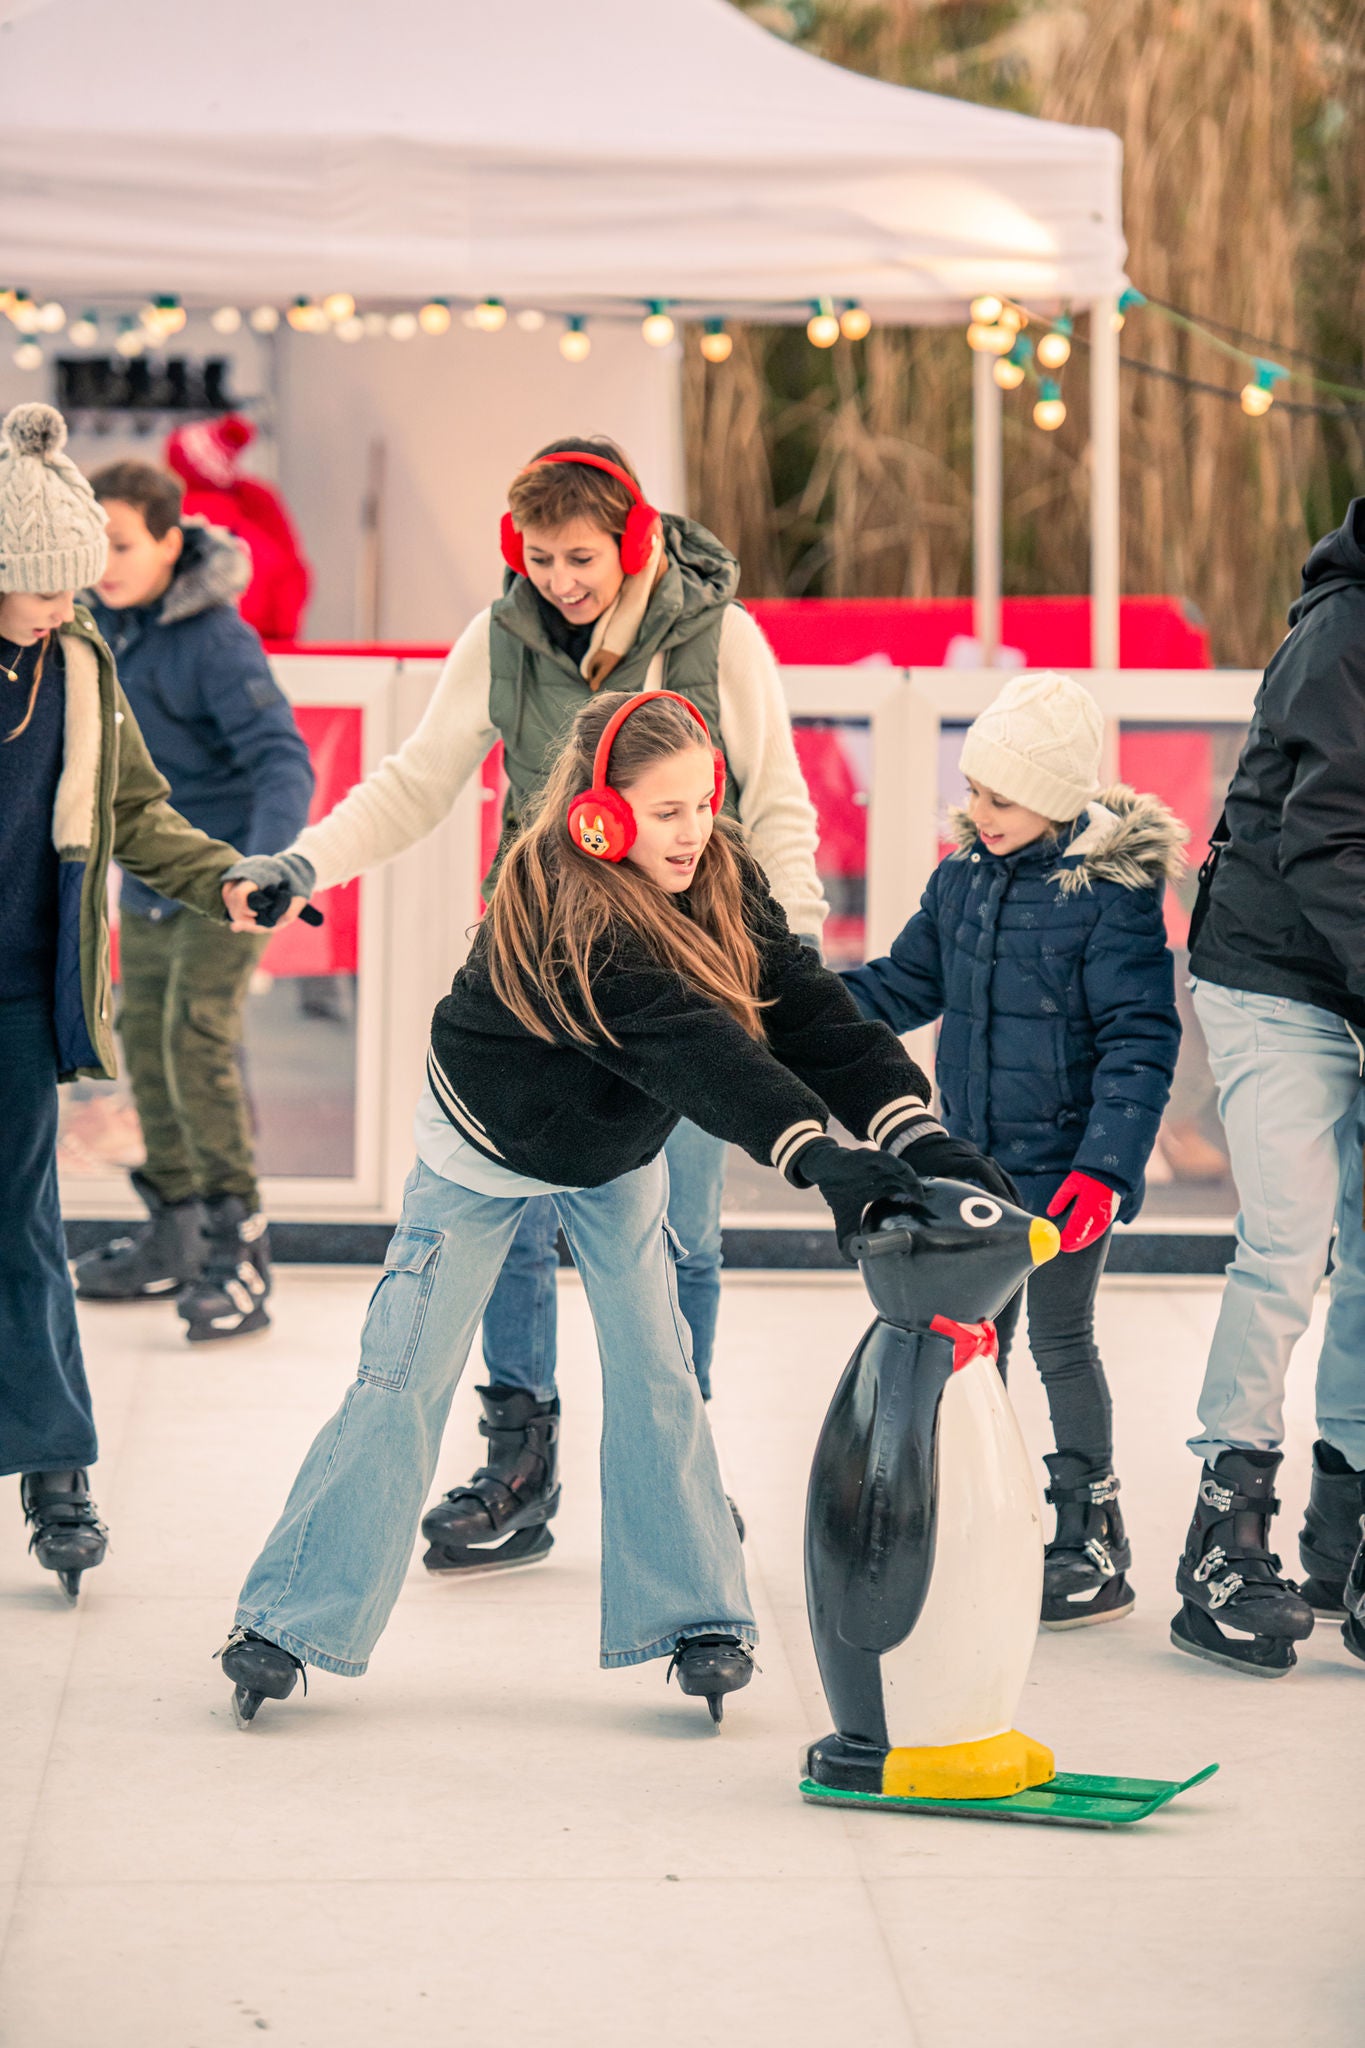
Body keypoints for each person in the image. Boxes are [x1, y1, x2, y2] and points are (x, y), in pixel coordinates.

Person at [216, 689, 1013, 1729]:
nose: (692, 832)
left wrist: (914, 1131)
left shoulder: (720, 870)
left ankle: (698, 1615)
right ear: (600, 812)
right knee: (401, 1377)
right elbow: (697, 1043)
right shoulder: (560, 899)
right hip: (483, 1149)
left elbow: (801, 1006)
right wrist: (821, 1156)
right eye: (666, 810)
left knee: (656, 1367)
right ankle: (285, 1619)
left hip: (612, 1149)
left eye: (703, 802)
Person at [244, 435, 829, 1569]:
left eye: (581, 557)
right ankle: (520, 1455)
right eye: (541, 555)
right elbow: (416, 780)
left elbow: (782, 802)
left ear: (635, 540)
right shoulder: (501, 637)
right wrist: (307, 862)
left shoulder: (719, 637)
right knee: (512, 1210)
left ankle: (679, 1463)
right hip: (538, 973)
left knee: (680, 1234)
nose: (559, 579)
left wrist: (787, 957)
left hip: (686, 972)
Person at [843, 672, 1183, 1629]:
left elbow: (1139, 1037)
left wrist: (1106, 1169)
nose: (978, 811)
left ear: (1057, 794)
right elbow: (904, 984)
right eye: (974, 791)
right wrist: (799, 1006)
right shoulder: (959, 883)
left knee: (1060, 1340)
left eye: (999, 795)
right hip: (972, 1169)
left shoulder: (1108, 898)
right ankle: (975, 1514)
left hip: (1066, 1176)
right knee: (969, 1347)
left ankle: (1087, 1529)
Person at [0, 402, 272, 1597]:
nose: (72, 603)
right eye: (49, 587)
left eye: (78, 584)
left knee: (26, 1227)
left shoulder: (80, 666)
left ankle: (56, 1469)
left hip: (18, 992)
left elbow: (134, 812)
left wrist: (225, 875)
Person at [1180, 498, 1365, 1676]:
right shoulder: (1345, 631)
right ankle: (1227, 1523)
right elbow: (1328, 835)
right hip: (1278, 967)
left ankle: (1345, 1528)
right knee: (1291, 1236)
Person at [70, 460, 314, 1342]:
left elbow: (283, 757)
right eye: (95, 541)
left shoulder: (214, 639)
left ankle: (237, 1248)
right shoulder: (101, 626)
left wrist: (269, 865)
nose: (107, 559)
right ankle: (173, 1227)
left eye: (124, 543)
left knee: (195, 1040)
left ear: (173, 543)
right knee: (142, 1037)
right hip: (148, 875)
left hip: (225, 882)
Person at [165, 414, 312, 641]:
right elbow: (293, 578)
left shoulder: (176, 515)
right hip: (263, 641)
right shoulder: (258, 511)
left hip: (184, 642)